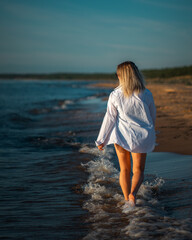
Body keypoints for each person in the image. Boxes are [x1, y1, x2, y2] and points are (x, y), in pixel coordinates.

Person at [95, 61, 156, 207]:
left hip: (121, 136)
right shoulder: (146, 93)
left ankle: (126, 200)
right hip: (142, 136)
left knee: (124, 169)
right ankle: (133, 194)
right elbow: (152, 117)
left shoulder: (115, 94)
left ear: (119, 76)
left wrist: (101, 140)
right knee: (138, 170)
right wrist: (151, 133)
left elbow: (109, 118)